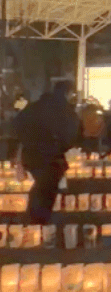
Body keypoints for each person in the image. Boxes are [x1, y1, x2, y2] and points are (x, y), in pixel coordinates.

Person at [14, 81, 80, 224]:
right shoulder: (62, 110)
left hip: (31, 155)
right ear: (67, 93)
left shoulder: (33, 107)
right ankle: (37, 221)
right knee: (45, 190)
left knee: (41, 187)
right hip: (51, 157)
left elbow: (18, 126)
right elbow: (70, 134)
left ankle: (35, 220)